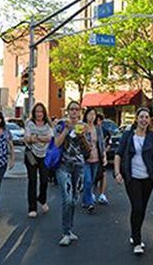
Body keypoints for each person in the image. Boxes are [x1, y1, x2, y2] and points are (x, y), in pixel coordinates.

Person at [114, 107, 153, 255]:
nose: (144, 120)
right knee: (137, 206)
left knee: (141, 209)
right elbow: (118, 154)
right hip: (132, 177)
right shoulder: (128, 135)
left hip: (148, 178)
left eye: (146, 117)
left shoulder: (152, 137)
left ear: (149, 120)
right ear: (136, 119)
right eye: (141, 117)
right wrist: (117, 172)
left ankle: (133, 233)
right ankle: (137, 241)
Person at [54, 101, 91, 247]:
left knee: (74, 199)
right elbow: (56, 144)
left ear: (80, 112)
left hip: (79, 166)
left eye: (77, 109)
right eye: (72, 109)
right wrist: (65, 130)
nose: (74, 112)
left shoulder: (84, 127)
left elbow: (88, 150)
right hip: (63, 166)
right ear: (68, 111)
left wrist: (82, 136)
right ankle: (65, 232)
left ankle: (69, 229)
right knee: (67, 199)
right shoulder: (61, 125)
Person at [24, 102, 53, 218]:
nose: (39, 114)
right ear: (34, 113)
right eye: (37, 111)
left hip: (45, 155)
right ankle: (32, 208)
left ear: (44, 113)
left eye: (41, 111)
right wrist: (41, 139)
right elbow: (26, 138)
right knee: (32, 180)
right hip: (31, 154)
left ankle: (42, 198)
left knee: (45, 179)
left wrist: (36, 137)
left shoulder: (48, 125)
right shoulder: (29, 123)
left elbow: (50, 138)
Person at [82, 108, 106, 213]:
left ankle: (85, 200)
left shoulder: (98, 128)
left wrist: (104, 155)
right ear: (86, 115)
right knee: (87, 180)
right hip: (86, 158)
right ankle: (90, 203)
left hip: (96, 158)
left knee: (91, 181)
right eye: (90, 114)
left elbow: (101, 143)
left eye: (94, 114)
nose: (92, 117)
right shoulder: (83, 127)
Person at [94, 113, 110, 205]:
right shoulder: (90, 129)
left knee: (103, 175)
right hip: (92, 157)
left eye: (101, 120)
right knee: (93, 176)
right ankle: (91, 193)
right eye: (98, 120)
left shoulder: (104, 131)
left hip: (102, 156)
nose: (99, 122)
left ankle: (102, 194)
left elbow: (108, 143)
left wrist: (104, 150)